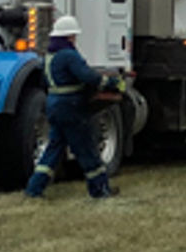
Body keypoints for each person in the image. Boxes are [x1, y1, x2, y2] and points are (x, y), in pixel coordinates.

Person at [24, 14, 124, 201]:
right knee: (86, 149)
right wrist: (110, 83)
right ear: (69, 36)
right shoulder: (69, 55)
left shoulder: (49, 57)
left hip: (54, 105)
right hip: (71, 107)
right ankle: (100, 190)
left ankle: (34, 189)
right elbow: (87, 76)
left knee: (53, 150)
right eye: (74, 35)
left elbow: (45, 82)